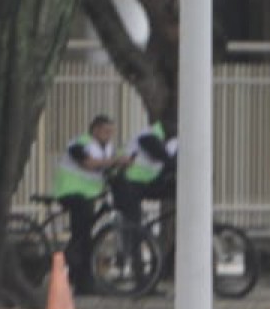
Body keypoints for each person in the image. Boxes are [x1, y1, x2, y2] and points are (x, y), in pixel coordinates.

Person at [53, 114, 125, 295]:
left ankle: (79, 277)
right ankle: (79, 279)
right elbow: (88, 164)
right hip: (72, 192)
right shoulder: (79, 143)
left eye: (111, 132)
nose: (109, 135)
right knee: (82, 236)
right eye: (106, 131)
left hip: (90, 194)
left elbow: (112, 164)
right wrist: (115, 161)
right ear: (95, 130)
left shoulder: (108, 148)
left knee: (85, 235)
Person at [109, 120, 178, 262]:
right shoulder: (148, 136)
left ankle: (170, 250)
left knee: (180, 193)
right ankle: (136, 264)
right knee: (134, 223)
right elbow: (164, 158)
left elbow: (169, 165)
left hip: (145, 184)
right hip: (125, 183)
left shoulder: (174, 140)